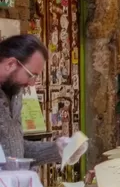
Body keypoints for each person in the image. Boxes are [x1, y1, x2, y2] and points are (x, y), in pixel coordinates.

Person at [0, 35, 70, 163]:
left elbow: (17, 149)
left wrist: (58, 150)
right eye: (30, 75)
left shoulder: (15, 93)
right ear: (10, 64)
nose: (32, 84)